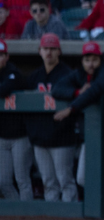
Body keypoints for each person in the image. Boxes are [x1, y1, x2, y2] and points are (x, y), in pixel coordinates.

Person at [52, 42, 104, 205]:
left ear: (100, 59)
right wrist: (77, 92)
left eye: (94, 60)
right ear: (82, 61)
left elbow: (95, 90)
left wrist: (71, 108)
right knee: (82, 178)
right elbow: (56, 88)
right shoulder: (79, 74)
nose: (90, 64)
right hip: (93, 133)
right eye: (87, 60)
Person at [26, 34, 76, 201]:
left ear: (59, 51)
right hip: (40, 140)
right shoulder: (34, 76)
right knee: (48, 182)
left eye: (52, 49)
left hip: (62, 139)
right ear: (39, 51)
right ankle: (52, 215)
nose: (49, 52)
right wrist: (34, 133)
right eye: (45, 48)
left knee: (65, 181)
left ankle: (69, 214)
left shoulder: (68, 75)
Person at [0, 41, 33, 200]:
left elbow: (4, 89)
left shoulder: (13, 73)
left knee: (22, 180)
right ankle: (17, 210)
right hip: (2, 138)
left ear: (7, 57)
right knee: (3, 182)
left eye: (1, 55)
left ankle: (29, 211)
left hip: (20, 137)